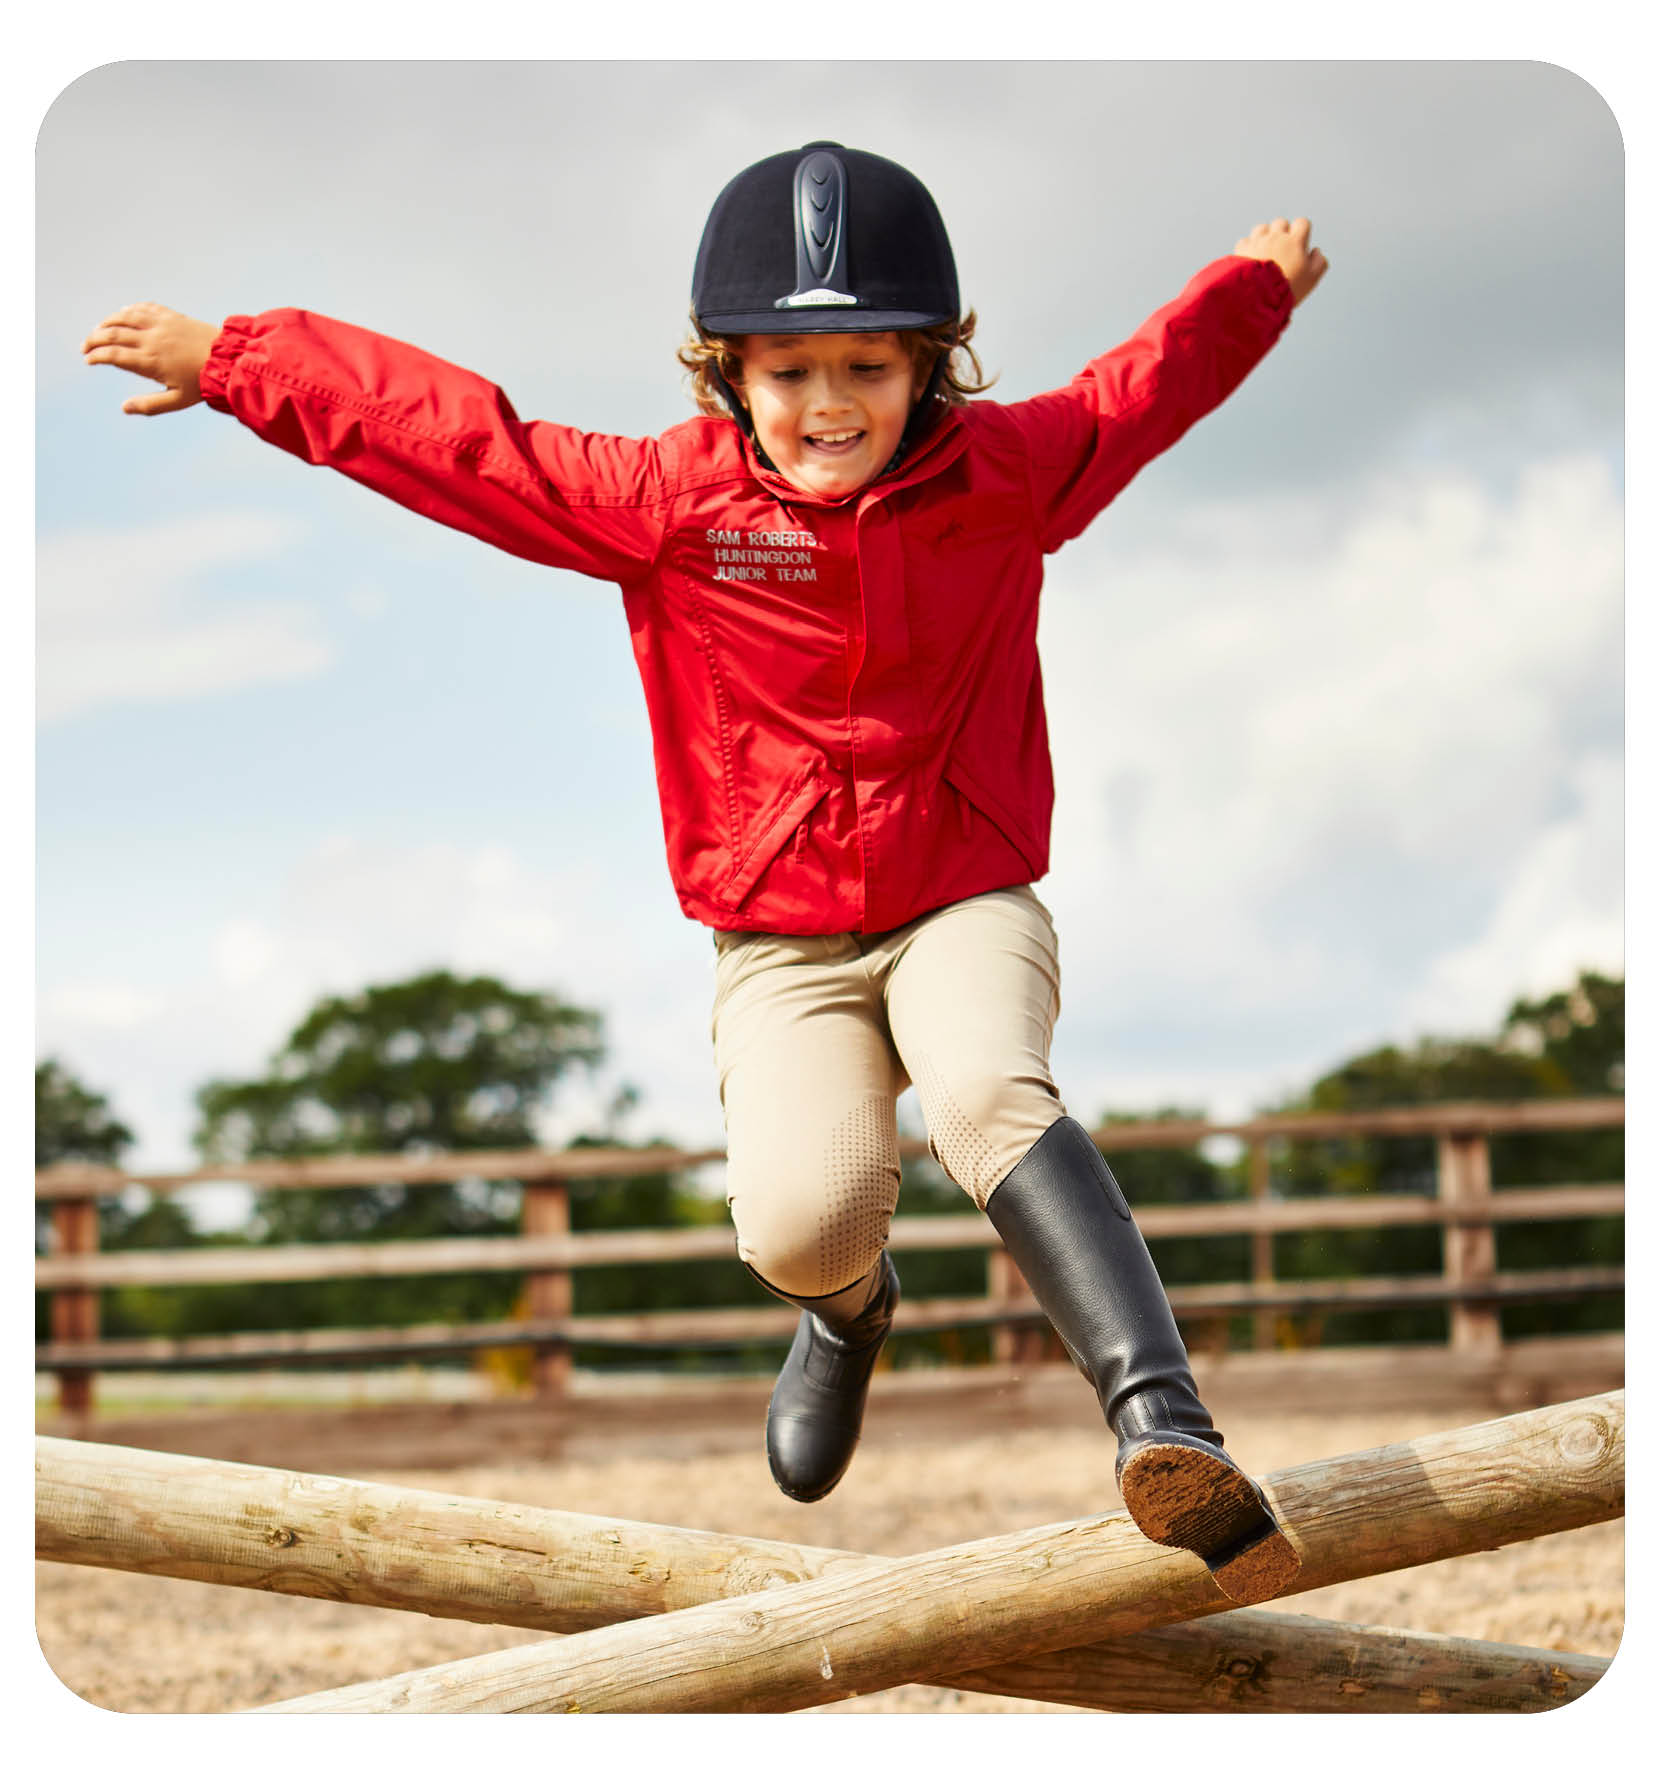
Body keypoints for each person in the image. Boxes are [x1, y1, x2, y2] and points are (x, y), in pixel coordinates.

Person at [83, 141, 1327, 1605]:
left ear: (932, 366)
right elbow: (459, 439)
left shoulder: (1012, 476)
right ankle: (850, 1315)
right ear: (727, 372)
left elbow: (1144, 387)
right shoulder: (671, 507)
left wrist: (1251, 287)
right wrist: (239, 362)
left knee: (989, 1093)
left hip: (962, 892)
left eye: (866, 366)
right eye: (788, 371)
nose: (828, 405)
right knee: (804, 1219)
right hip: (778, 937)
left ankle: (1163, 1428)